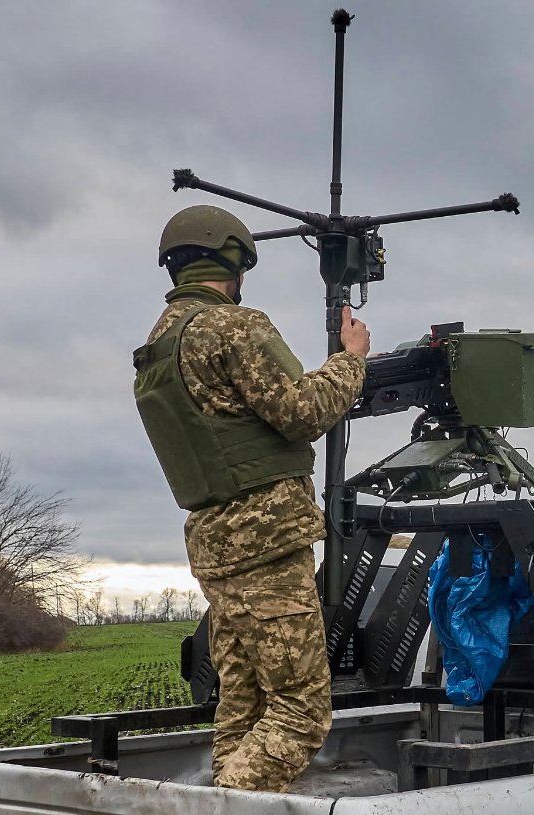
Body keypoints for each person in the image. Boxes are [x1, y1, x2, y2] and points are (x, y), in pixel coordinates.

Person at [132, 204, 370, 792]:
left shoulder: (158, 345)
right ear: (233, 260)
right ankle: (225, 806)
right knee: (300, 709)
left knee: (243, 705)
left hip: (216, 547)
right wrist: (350, 360)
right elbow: (304, 411)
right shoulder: (232, 327)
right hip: (267, 540)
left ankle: (226, 794)